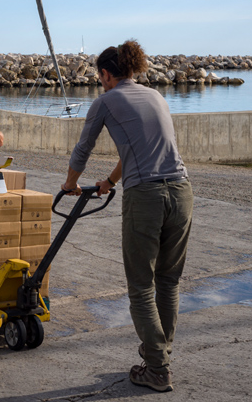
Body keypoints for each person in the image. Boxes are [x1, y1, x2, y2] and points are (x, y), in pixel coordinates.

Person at [61, 39, 193, 393]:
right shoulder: (156, 96)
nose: (100, 82)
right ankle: (160, 354)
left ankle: (157, 367)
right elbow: (142, 148)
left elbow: (83, 147)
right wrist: (110, 181)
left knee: (140, 287)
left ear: (106, 74)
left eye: (99, 76)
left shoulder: (105, 101)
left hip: (147, 197)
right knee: (168, 281)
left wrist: (71, 183)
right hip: (181, 191)